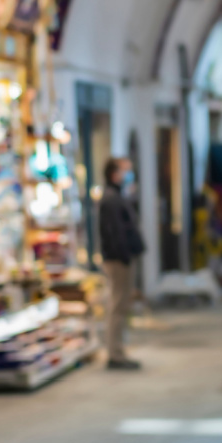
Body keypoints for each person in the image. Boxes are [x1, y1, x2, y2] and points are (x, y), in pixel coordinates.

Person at [99, 157, 145, 370]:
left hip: (121, 258)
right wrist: (125, 255)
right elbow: (114, 233)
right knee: (118, 305)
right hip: (118, 260)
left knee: (121, 305)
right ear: (114, 174)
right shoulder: (110, 199)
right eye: (124, 170)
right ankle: (115, 354)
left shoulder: (116, 196)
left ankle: (118, 350)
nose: (128, 174)